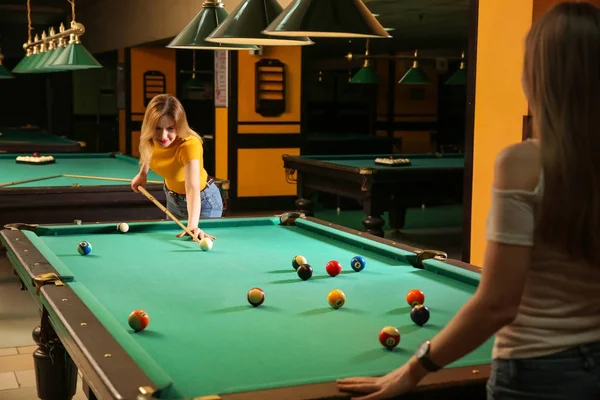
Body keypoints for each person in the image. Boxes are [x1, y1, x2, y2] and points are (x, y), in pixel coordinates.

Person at [337, 2, 600, 399]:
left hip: (539, 372)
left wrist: (412, 371)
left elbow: (497, 304)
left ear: (538, 76)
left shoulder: (524, 163)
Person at [131, 94, 222, 241]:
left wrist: (193, 225)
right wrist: (142, 174)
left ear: (179, 125)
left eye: (170, 128)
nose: (163, 136)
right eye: (157, 128)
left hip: (203, 201)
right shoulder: (151, 138)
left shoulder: (189, 145)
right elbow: (149, 152)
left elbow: (192, 188)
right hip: (172, 198)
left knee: (197, 247)